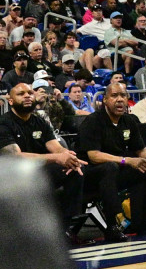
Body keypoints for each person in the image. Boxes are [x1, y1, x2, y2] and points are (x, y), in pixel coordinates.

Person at [77, 80, 146, 241]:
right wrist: (127, 160)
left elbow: (141, 149)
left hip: (118, 169)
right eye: (114, 95)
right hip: (90, 174)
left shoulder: (129, 120)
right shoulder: (93, 121)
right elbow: (94, 156)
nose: (119, 99)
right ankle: (112, 226)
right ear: (105, 100)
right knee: (109, 168)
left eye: (123, 95)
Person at [0, 81, 86, 233]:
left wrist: (68, 156)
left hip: (40, 171)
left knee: (74, 169)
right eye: (21, 94)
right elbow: (16, 157)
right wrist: (56, 158)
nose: (27, 96)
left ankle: (65, 226)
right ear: (11, 101)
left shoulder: (39, 121)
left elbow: (56, 147)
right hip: (13, 177)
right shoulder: (4, 123)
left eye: (30, 93)